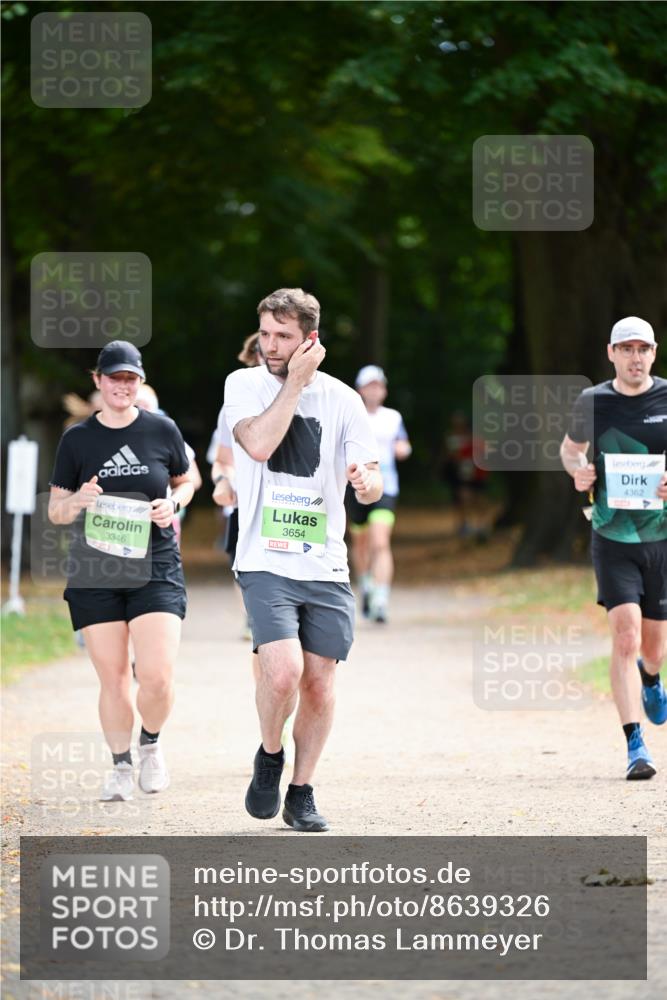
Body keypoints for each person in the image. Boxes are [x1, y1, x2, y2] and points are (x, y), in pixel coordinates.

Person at [223, 288, 382, 831]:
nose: (269, 345)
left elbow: (371, 483)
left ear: (310, 339)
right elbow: (259, 445)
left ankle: (302, 790)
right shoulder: (244, 384)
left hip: (326, 563)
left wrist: (366, 481)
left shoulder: (343, 400)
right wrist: (292, 381)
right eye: (265, 333)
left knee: (319, 682)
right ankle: (270, 755)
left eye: (283, 337)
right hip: (265, 558)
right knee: (285, 670)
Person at [48, 341, 194, 801]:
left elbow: (186, 481)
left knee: (156, 676)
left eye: (130, 378)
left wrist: (172, 503)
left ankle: (150, 743)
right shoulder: (77, 440)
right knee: (113, 678)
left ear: (140, 382)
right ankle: (120, 766)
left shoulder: (161, 429)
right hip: (96, 571)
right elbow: (56, 511)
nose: (122, 386)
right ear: (98, 381)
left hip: (156, 566)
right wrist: (78, 501)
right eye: (114, 378)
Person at [560, 316, 667, 780]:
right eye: (627, 349)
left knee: (653, 646)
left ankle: (652, 678)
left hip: (660, 537)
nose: (635, 357)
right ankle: (635, 744)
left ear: (654, 353)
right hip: (612, 535)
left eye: (643, 349)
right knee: (624, 635)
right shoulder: (593, 401)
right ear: (612, 354)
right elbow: (570, 449)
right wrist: (578, 471)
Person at [345, 365, 411, 623]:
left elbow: (402, 442)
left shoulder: (392, 417)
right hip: (356, 487)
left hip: (386, 486)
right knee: (360, 543)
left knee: (380, 542)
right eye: (370, 385)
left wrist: (403, 449)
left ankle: (381, 599)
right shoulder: (352, 415)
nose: (375, 390)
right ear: (360, 390)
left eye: (379, 385)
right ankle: (366, 585)